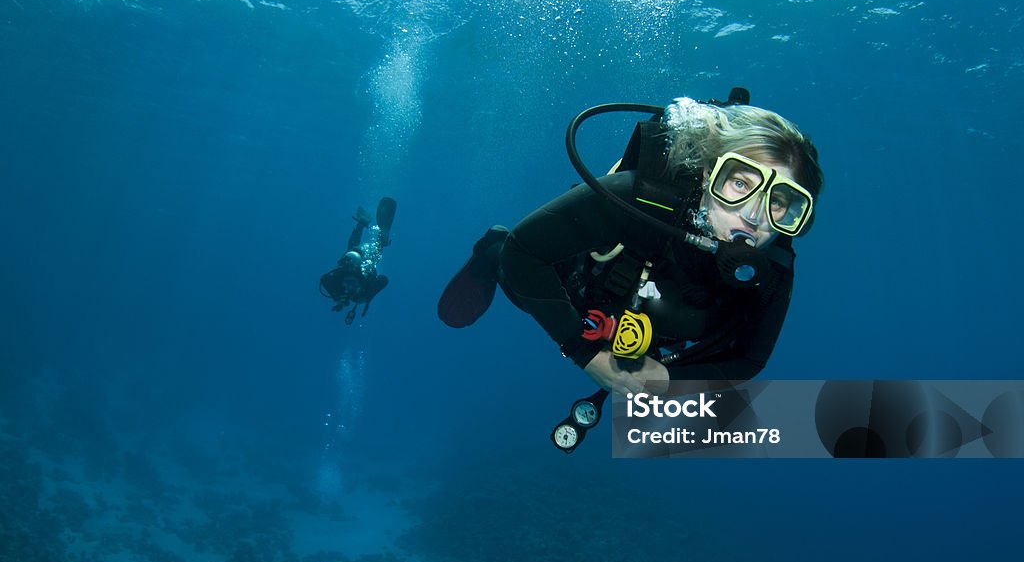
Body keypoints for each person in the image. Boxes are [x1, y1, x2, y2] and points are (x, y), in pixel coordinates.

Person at [438, 89, 823, 395]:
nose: (753, 217)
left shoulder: (772, 267)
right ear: (709, 174)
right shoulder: (639, 198)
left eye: (777, 203)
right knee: (511, 266)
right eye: (740, 184)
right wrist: (585, 353)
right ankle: (489, 249)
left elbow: (750, 359)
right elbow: (525, 252)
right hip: (577, 286)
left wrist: (669, 383)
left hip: (641, 331)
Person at [320, 197, 397, 324]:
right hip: (361, 267)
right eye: (352, 285)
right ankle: (377, 236)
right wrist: (369, 294)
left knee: (355, 251)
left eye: (349, 283)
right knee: (369, 257)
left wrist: (336, 294)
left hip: (353, 262)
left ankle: (366, 227)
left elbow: (324, 279)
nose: (350, 286)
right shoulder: (361, 293)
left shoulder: (340, 284)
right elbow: (384, 280)